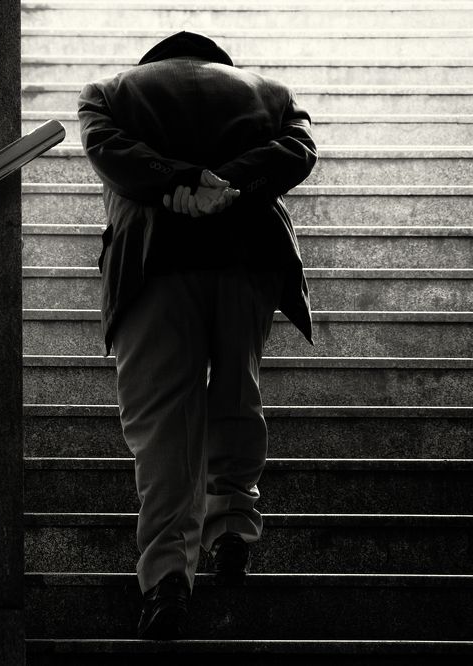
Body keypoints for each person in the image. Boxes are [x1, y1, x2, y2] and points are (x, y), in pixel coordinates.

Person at [77, 31, 318, 640]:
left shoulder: (108, 91)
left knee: (163, 419)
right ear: (217, 62)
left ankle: (166, 577)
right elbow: (299, 149)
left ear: (155, 60)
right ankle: (233, 523)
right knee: (238, 388)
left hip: (154, 263)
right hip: (246, 256)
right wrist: (227, 184)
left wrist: (182, 182)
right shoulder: (271, 91)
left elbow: (110, 152)